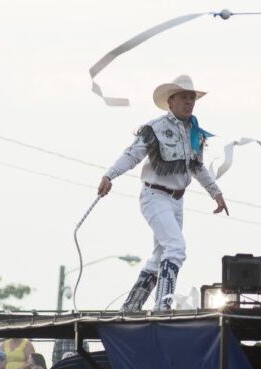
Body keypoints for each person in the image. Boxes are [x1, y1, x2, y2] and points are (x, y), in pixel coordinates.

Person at [98, 74, 229, 312]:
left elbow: (197, 167)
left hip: (176, 200)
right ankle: (163, 304)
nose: (189, 102)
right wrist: (110, 175)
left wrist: (216, 193)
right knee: (176, 247)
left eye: (192, 98)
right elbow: (132, 154)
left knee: (160, 255)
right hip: (155, 196)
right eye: (184, 98)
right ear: (171, 102)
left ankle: (132, 305)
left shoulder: (195, 133)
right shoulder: (155, 128)